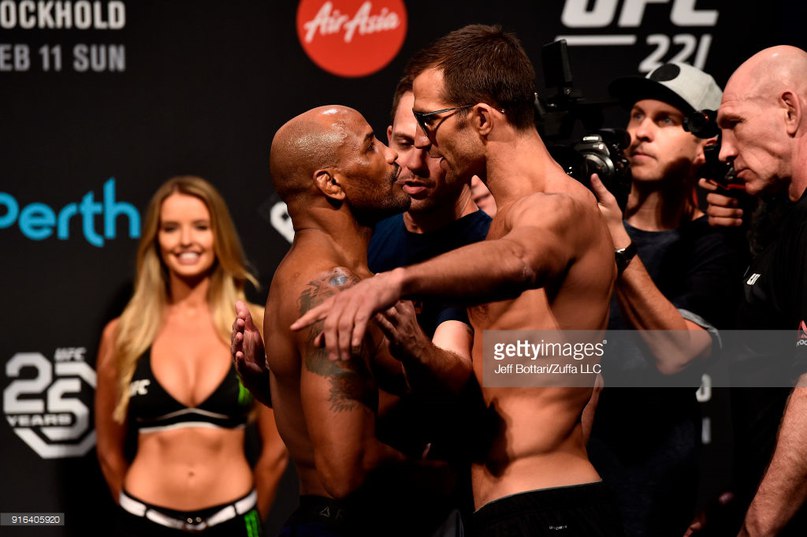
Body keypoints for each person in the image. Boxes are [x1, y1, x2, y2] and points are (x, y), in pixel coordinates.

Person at [291, 24, 625, 537]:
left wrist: (391, 283)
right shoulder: (506, 216)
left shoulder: (557, 205)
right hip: (505, 507)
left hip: (546, 508)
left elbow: (520, 260)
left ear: (483, 120)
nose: (423, 140)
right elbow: (471, 386)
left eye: (431, 120)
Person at [260, 104, 476, 537]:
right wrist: (447, 479)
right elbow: (347, 469)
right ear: (331, 183)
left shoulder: (339, 278)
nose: (393, 156)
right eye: (371, 146)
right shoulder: (329, 289)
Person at [585, 63, 743, 537]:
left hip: (661, 479)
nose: (640, 133)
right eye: (635, 115)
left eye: (665, 120)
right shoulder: (581, 218)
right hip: (573, 466)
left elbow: (681, 355)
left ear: (706, 146)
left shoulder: (719, 241)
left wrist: (613, 237)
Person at [94, 176, 288, 536]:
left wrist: (250, 520)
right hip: (142, 517)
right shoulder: (122, 334)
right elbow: (108, 452)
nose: (186, 240)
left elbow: (276, 451)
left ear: (220, 236)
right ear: (156, 238)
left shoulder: (254, 324)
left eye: (201, 227)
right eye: (171, 228)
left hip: (237, 518)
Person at [698, 45, 807, 536]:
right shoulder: (785, 223)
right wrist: (732, 502)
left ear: (790, 111)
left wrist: (758, 525)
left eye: (733, 123)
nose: (723, 151)